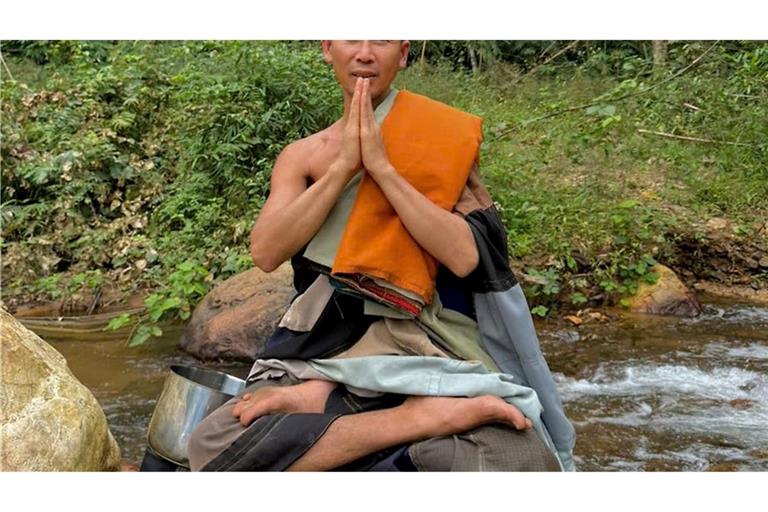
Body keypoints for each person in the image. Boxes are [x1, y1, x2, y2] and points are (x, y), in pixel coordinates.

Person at [187, 40, 575, 472]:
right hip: (326, 342)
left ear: (404, 54)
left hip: (423, 340)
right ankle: (409, 416)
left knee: (514, 457)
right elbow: (266, 251)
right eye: (352, 37)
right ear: (328, 49)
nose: (366, 53)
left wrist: (383, 169)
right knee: (212, 444)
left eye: (383, 40)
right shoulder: (304, 156)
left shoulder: (437, 137)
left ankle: (346, 402)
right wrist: (343, 169)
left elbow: (464, 258)